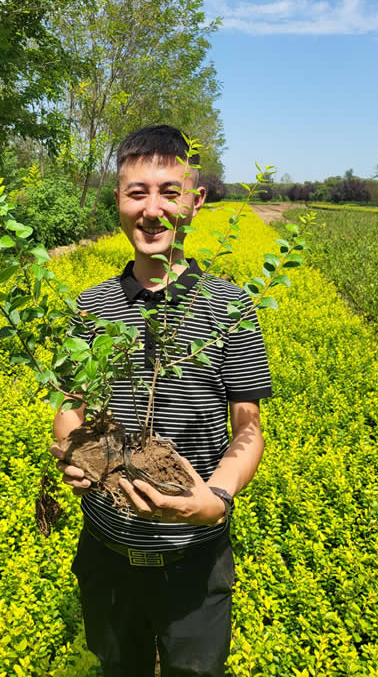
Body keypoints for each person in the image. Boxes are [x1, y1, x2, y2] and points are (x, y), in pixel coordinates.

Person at [50, 124, 271, 677]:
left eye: (170, 192)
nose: (153, 210)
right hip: (105, 551)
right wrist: (70, 447)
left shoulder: (230, 307)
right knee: (115, 665)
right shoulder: (91, 308)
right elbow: (71, 403)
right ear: (118, 204)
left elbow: (248, 426)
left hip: (195, 556)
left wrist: (216, 498)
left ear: (195, 204)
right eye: (137, 192)